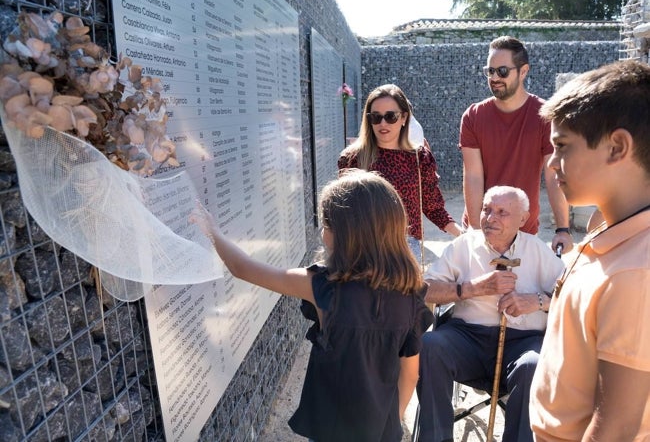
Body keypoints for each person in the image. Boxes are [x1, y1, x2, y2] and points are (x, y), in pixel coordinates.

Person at [190, 169, 434, 442]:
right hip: (382, 431)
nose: (322, 231)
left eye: (326, 223)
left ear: (343, 234)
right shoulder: (411, 293)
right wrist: (392, 419)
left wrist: (212, 230)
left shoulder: (324, 287)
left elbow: (242, 268)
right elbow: (410, 374)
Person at [530, 60, 650, 440]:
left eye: (562, 145)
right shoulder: (608, 228)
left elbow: (615, 426)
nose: (551, 163)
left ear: (617, 147)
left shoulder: (637, 271)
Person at [416, 185, 564, 442]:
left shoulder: (538, 250)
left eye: (502, 212)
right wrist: (473, 288)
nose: (491, 217)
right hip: (467, 339)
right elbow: (425, 290)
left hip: (522, 342)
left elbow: (573, 295)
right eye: (487, 210)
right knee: (430, 345)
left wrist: (538, 301)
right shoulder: (463, 245)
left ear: (522, 219)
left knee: (534, 365)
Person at [459, 35, 573, 253]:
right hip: (481, 229)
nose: (494, 77)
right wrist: (475, 231)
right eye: (490, 71)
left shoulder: (546, 116)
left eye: (502, 71)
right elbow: (473, 176)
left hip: (524, 232)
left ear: (523, 71)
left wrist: (563, 229)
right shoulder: (473, 116)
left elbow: (553, 175)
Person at [338, 84, 462, 260]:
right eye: (376, 117)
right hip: (364, 251)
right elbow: (343, 212)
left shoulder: (420, 158)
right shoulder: (351, 159)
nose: (382, 123)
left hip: (406, 251)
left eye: (390, 117)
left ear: (404, 117)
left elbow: (432, 206)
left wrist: (462, 234)